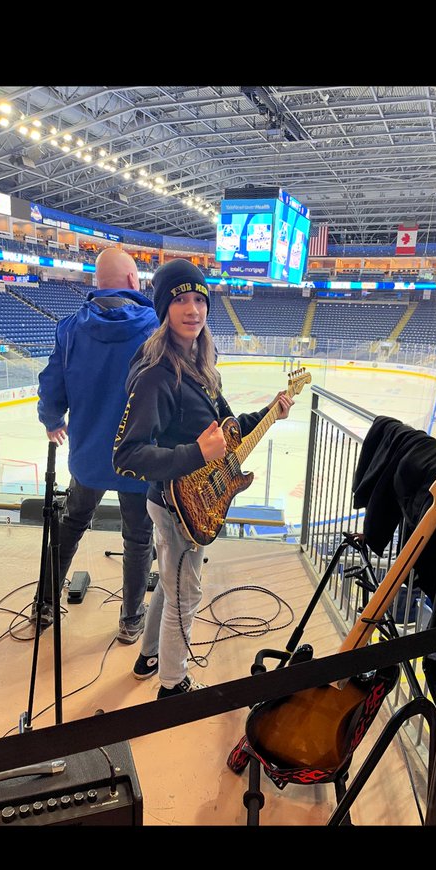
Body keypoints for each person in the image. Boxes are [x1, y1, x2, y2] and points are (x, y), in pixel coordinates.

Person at [112, 258, 294, 697]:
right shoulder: (158, 373)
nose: (192, 309)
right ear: (164, 308)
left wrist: (270, 411)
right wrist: (196, 453)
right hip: (177, 507)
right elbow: (126, 456)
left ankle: (150, 657)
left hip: (195, 500)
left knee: (171, 585)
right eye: (181, 301)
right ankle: (172, 687)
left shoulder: (200, 365)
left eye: (199, 299)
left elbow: (226, 427)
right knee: (184, 597)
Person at [35, 246, 159, 641]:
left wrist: (52, 419)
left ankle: (45, 604)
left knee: (71, 524)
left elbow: (52, 384)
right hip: (139, 459)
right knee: (138, 537)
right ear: (131, 282)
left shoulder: (70, 328)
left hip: (88, 457)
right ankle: (131, 619)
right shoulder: (156, 327)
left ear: (98, 283)